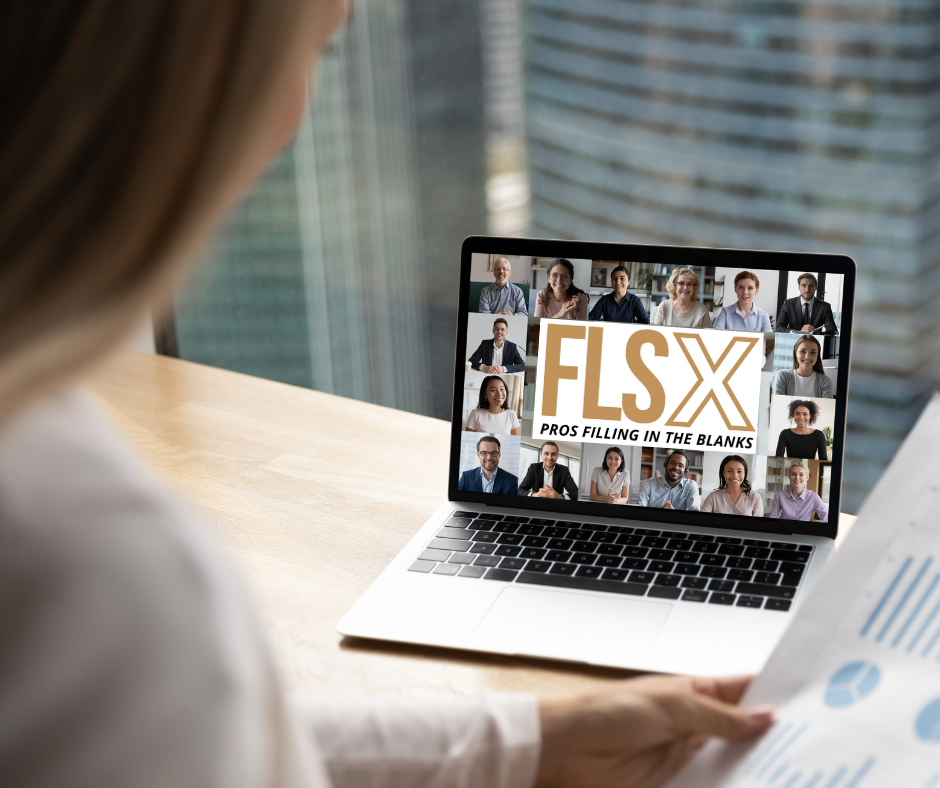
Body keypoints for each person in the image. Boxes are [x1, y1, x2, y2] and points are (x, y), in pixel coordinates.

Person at [0, 2, 775, 785]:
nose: (286, 121)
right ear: (190, 76)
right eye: (314, 49)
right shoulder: (101, 563)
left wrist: (541, 741)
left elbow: (167, 745)